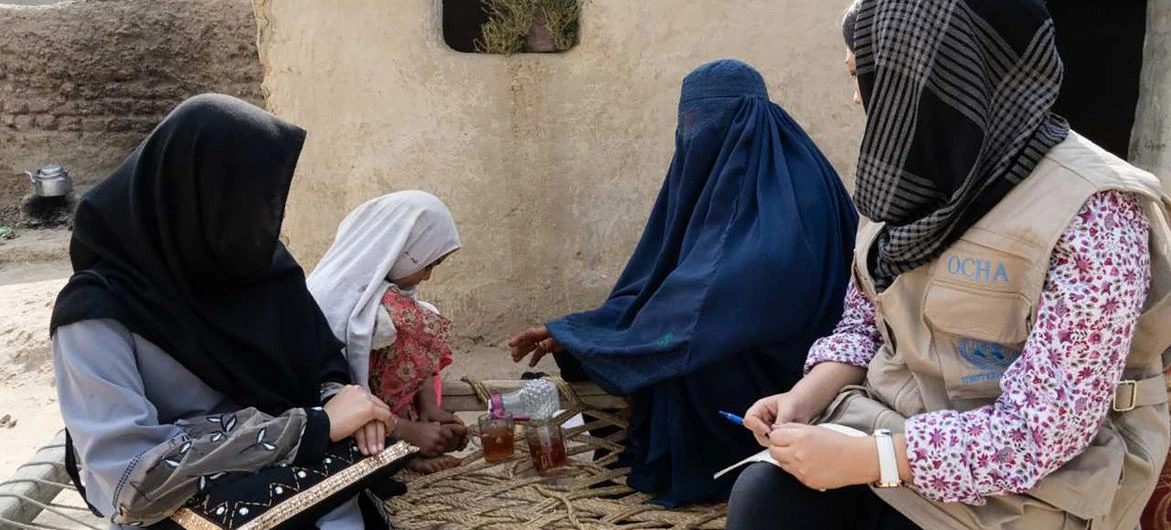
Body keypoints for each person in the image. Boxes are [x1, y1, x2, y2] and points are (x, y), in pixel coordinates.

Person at [726, 1, 1171, 529]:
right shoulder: (904, 174)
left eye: (867, 74)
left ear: (931, 77)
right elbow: (865, 322)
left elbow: (1039, 432)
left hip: (1032, 489)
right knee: (767, 499)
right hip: (881, 430)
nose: (856, 96)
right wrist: (805, 398)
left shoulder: (1094, 213)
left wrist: (874, 460)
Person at [508, 59, 860, 507]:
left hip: (797, 369)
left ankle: (715, 473)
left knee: (686, 362)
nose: (695, 134)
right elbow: (663, 274)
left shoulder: (796, 189)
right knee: (620, 346)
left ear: (747, 117)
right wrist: (584, 330)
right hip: (725, 329)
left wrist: (612, 336)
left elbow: (725, 300)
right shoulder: (723, 174)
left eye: (706, 121)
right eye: (688, 122)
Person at [50, 94, 401, 528]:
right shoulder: (97, 315)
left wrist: (346, 403)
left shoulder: (260, 268)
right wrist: (309, 428)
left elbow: (318, 360)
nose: (265, 219)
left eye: (271, 201)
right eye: (246, 199)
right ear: (189, 198)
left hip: (313, 493)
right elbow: (132, 479)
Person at [308, 191, 469, 475]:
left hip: (375, 407)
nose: (427, 276)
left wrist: (429, 406)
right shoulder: (334, 298)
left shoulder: (385, 292)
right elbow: (326, 390)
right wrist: (406, 430)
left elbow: (419, 360)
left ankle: (408, 442)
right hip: (335, 411)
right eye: (428, 264)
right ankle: (399, 446)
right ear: (401, 248)